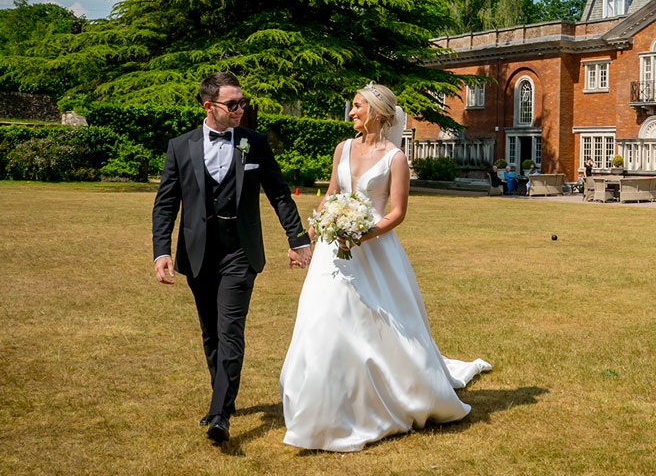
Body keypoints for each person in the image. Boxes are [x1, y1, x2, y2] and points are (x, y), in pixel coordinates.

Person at [279, 83, 490, 452]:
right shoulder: (342, 148)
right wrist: (311, 230)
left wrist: (361, 234)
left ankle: (385, 396)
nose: (351, 113)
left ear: (376, 111)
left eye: (357, 107)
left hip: (374, 250)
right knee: (322, 318)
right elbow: (331, 193)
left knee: (381, 325)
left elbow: (396, 213)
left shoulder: (395, 159)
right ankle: (319, 403)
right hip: (333, 249)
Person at [151, 72, 312, 444]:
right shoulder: (180, 146)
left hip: (240, 252)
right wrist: (162, 250)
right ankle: (220, 397)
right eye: (233, 104)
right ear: (210, 107)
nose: (241, 109)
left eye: (243, 103)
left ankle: (220, 413)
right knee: (210, 332)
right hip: (198, 253)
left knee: (230, 330)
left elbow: (279, 192)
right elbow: (165, 204)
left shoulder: (254, 143)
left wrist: (298, 238)